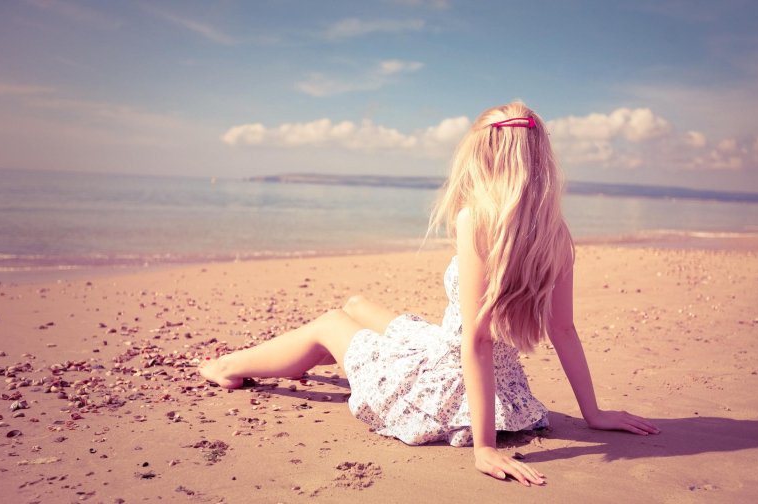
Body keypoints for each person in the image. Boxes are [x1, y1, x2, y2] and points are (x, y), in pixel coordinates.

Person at [200, 101, 659, 486]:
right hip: (499, 381)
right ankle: (311, 358)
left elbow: (476, 340)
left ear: (483, 156)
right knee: (357, 306)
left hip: (450, 380)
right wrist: (593, 413)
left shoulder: (475, 219)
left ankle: (225, 367)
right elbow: (563, 328)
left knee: (329, 323)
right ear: (539, 156)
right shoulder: (554, 231)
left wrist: (484, 447)